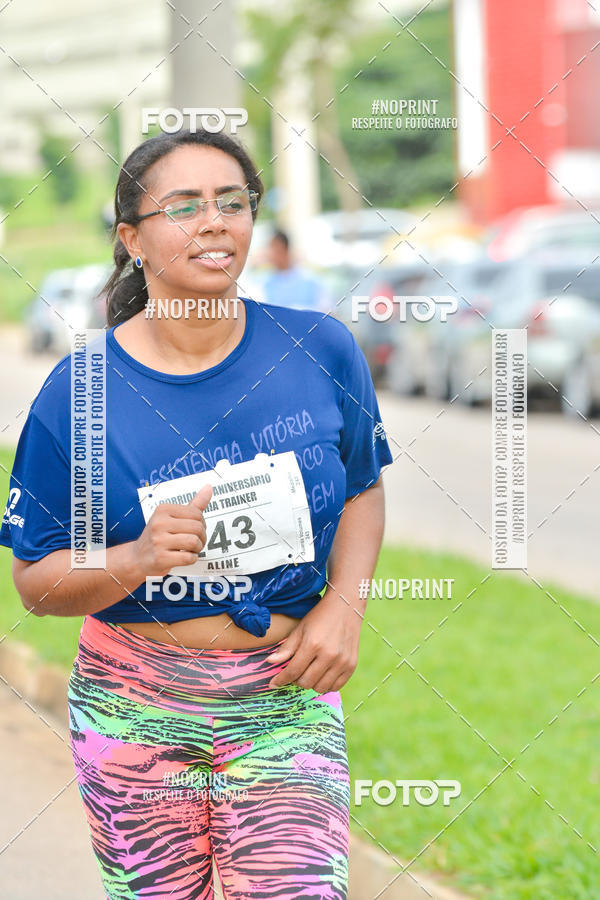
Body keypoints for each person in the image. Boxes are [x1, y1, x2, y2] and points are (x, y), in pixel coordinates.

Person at [0, 127, 393, 899]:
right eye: (184, 206)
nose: (215, 221)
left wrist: (344, 606)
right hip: (133, 699)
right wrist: (135, 559)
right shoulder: (79, 393)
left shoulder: (320, 349)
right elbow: (35, 583)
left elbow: (362, 489)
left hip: (284, 695)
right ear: (131, 239)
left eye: (232, 202)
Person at [262, 228, 330, 311]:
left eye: (275, 250)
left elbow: (326, 309)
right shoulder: (267, 284)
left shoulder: (310, 280)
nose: (271, 254)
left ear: (285, 249)